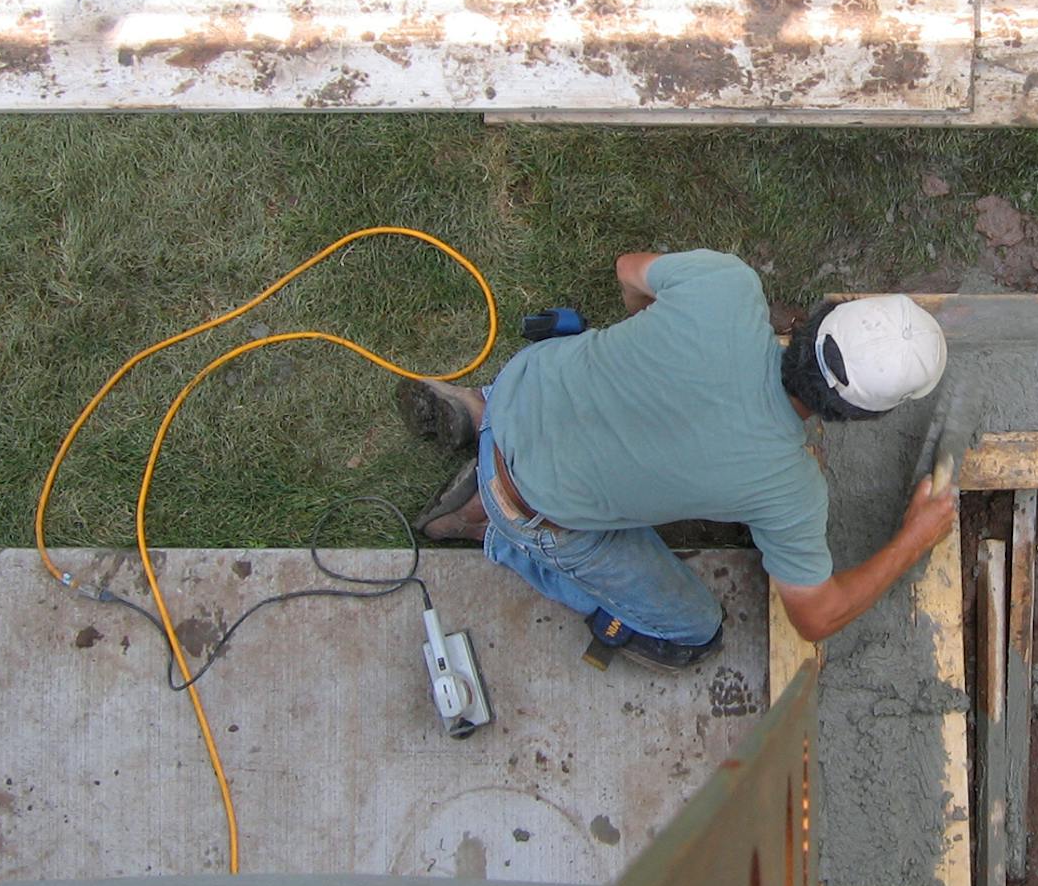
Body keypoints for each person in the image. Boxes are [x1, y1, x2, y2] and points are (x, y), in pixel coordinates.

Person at [400, 249, 957, 671]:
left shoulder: (728, 286)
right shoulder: (787, 491)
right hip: (531, 505)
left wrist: (653, 344)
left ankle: (480, 412)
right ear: (858, 417)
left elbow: (628, 270)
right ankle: (490, 525)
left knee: (579, 384)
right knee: (695, 634)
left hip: (527, 380)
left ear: (823, 316)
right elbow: (816, 617)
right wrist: (914, 538)